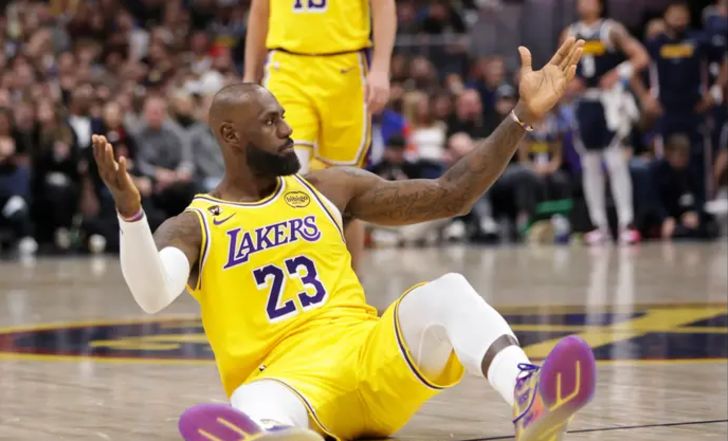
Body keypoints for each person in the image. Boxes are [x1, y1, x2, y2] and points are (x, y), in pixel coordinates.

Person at [92, 38, 595, 441]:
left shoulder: (327, 189)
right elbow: (152, 294)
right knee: (251, 400)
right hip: (287, 382)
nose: (287, 128)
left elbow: (451, 195)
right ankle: (273, 435)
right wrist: (131, 214)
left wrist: (521, 117)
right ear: (230, 136)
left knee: (449, 291)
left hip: (369, 357)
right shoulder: (196, 224)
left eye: (282, 115)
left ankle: (529, 393)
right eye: (271, 121)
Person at [242, 0, 396, 272]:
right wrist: (249, 76)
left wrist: (381, 68)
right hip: (286, 67)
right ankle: (292, 278)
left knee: (347, 189)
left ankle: (351, 282)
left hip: (346, 68)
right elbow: (260, 11)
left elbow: (383, 5)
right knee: (285, 177)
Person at [563, 0, 649, 245]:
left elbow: (640, 56)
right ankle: (598, 224)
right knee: (590, 164)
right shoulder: (570, 32)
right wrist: (569, 80)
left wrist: (618, 73)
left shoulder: (611, 29)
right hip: (585, 102)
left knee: (615, 162)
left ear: (600, 5)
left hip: (610, 102)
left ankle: (626, 223)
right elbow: (559, 65)